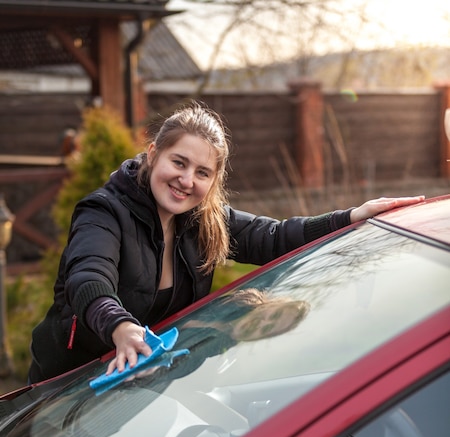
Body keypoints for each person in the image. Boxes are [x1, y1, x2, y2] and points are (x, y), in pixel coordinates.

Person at [28, 100, 425, 384]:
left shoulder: (203, 219)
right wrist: (119, 326)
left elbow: (274, 237)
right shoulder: (104, 211)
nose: (187, 181)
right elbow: (88, 278)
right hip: (68, 386)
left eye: (203, 172)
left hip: (139, 383)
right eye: (179, 163)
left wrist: (351, 217)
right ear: (153, 154)